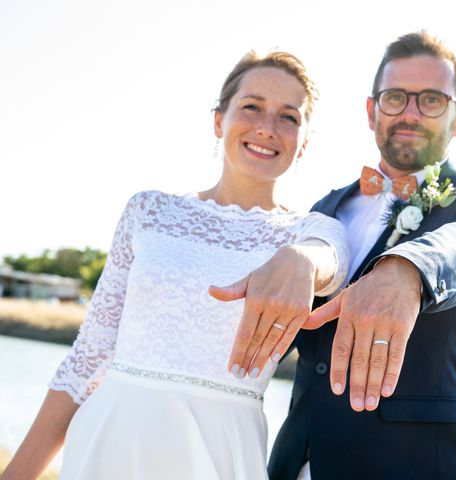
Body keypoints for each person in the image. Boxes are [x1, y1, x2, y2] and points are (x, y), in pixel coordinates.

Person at [1, 51, 349, 480]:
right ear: (219, 121)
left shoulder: (313, 231)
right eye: (252, 106)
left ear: (305, 143)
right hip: (112, 439)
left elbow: (333, 256)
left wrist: (300, 258)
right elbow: (86, 360)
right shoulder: (149, 211)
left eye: (289, 117)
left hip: (219, 448)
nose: (266, 127)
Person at [265, 31, 456, 479]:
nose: (409, 113)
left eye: (431, 100)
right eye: (395, 97)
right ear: (372, 111)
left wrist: (410, 269)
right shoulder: (323, 210)